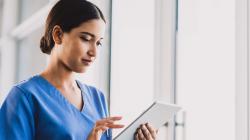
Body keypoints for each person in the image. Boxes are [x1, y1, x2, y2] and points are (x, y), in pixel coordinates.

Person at [0, 0, 157, 140]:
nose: (94, 52)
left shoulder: (97, 98)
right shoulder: (24, 97)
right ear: (58, 35)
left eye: (99, 43)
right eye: (86, 39)